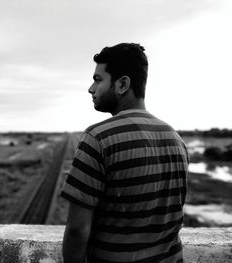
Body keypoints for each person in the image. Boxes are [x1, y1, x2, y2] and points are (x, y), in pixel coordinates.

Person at [61, 43, 189, 263]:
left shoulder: (97, 138)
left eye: (98, 79)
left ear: (122, 84)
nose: (91, 88)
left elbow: (77, 230)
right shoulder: (176, 139)